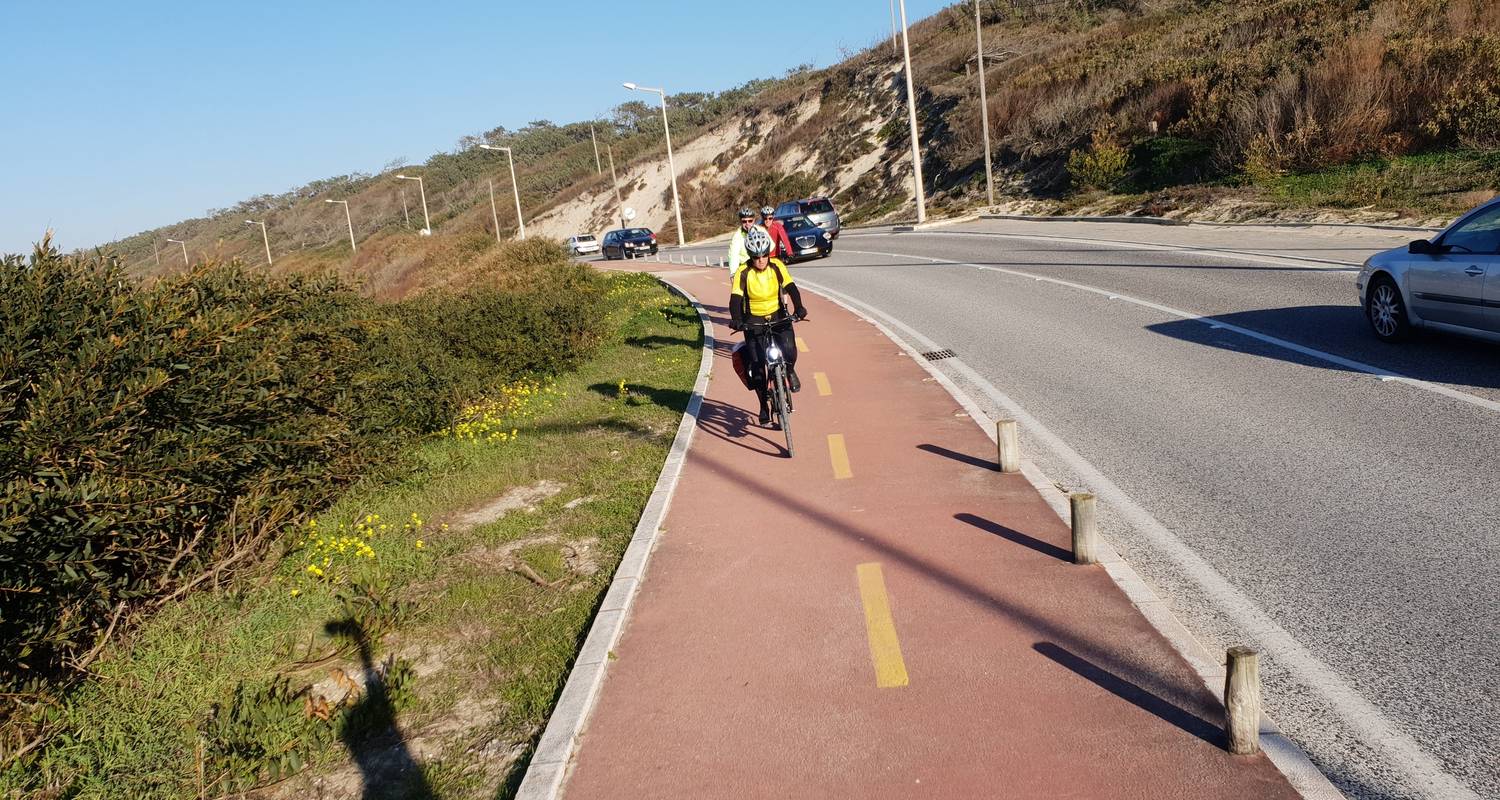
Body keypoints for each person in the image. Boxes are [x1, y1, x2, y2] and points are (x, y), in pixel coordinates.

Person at [729, 227, 808, 426]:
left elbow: (791, 287)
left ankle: (789, 371)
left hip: (778, 316)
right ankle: (764, 405)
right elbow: (736, 299)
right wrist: (737, 319)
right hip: (753, 321)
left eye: (764, 255)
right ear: (751, 256)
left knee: (789, 349)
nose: (761, 260)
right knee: (757, 368)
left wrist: (799, 307)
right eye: (756, 257)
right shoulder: (743, 272)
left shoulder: (777, 266)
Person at [726, 208, 758, 276]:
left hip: (761, 267)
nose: (747, 224)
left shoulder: (760, 230)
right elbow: (733, 255)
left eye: (750, 221)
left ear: (754, 220)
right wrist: (733, 273)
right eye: (744, 221)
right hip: (746, 270)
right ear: (740, 221)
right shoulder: (737, 236)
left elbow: (770, 247)